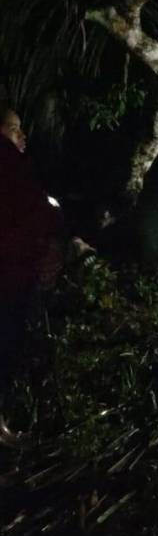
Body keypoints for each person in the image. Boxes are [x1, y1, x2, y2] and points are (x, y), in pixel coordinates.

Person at [0, 102, 63, 447]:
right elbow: (32, 214)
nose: (21, 136)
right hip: (10, 277)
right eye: (13, 128)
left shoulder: (15, 166)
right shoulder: (8, 164)